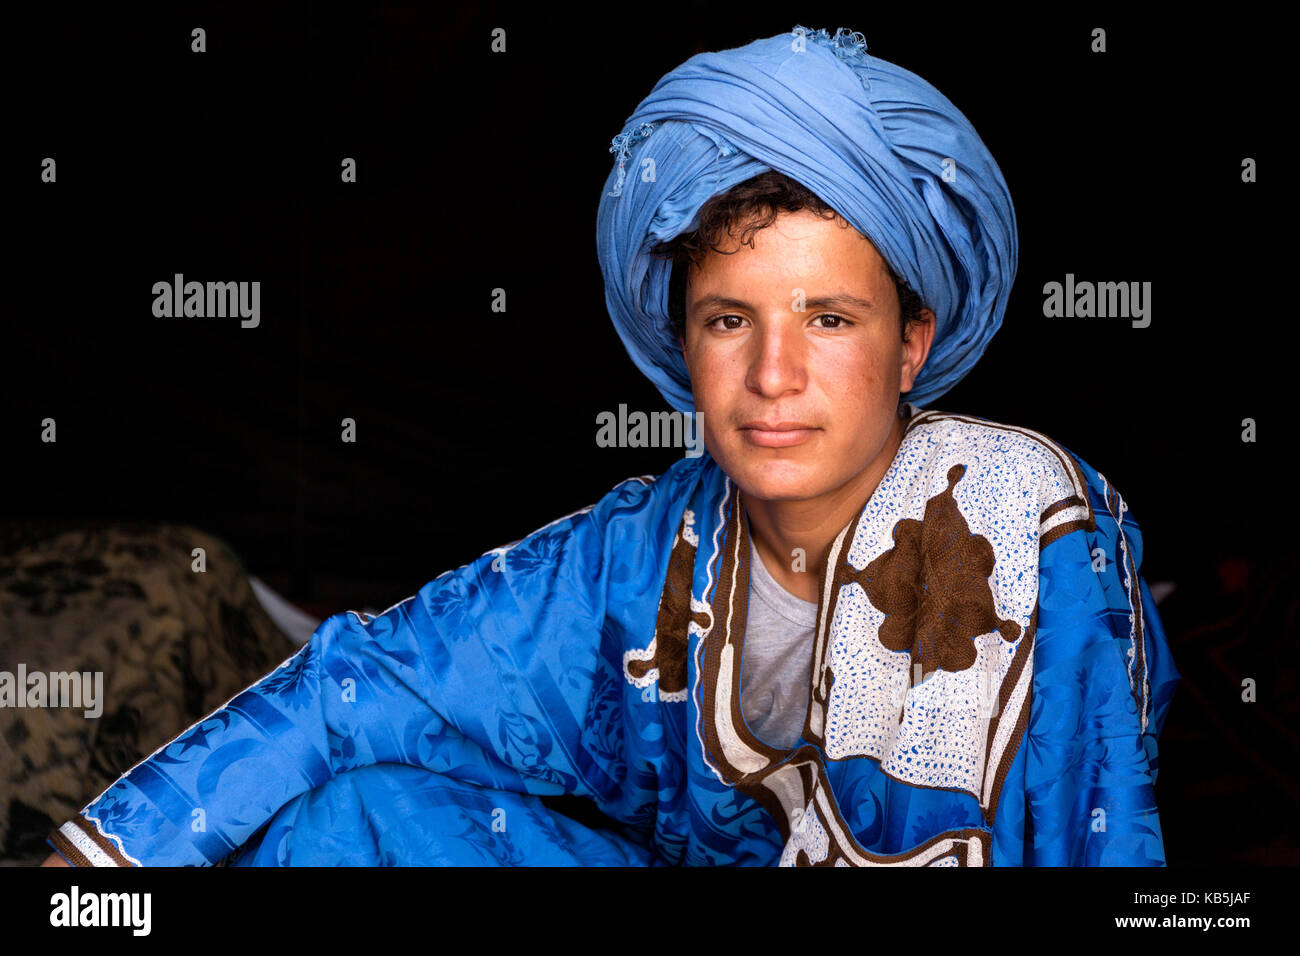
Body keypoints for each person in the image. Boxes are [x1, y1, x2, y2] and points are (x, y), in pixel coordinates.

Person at [42, 24, 1177, 867]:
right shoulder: (636, 554)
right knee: (359, 818)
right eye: (731, 320)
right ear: (685, 344)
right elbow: (364, 685)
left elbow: (1100, 827)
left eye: (828, 319)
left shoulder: (1017, 512)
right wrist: (96, 867)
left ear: (909, 343)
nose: (772, 374)